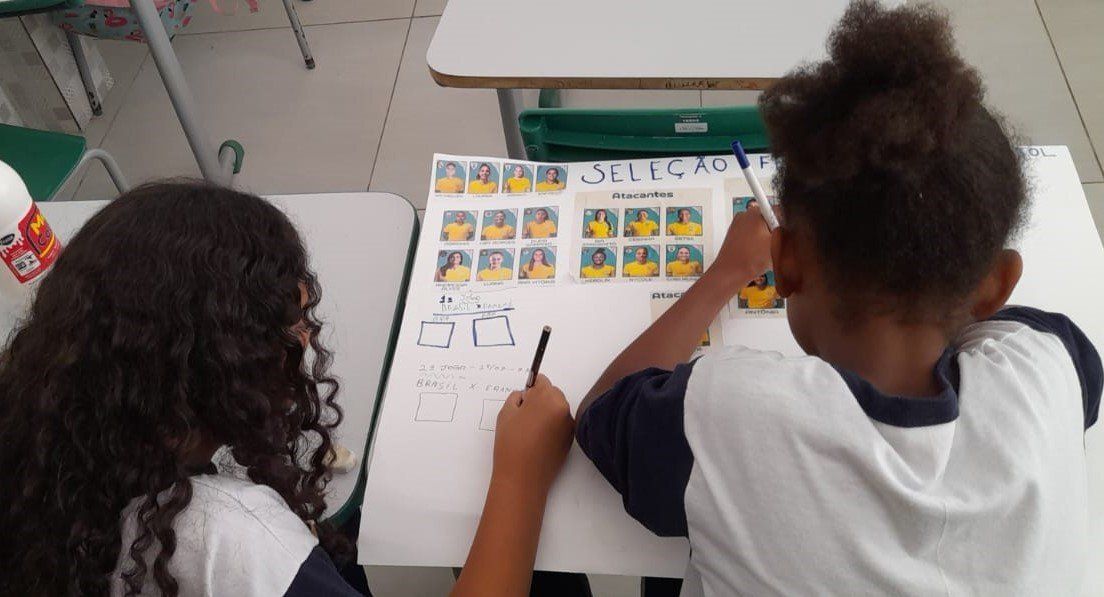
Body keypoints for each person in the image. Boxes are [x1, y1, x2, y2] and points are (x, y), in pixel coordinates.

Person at [564, 3, 1100, 595]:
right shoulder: (1050, 369)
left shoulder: (730, 415)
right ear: (995, 285)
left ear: (784, 261)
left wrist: (721, 277)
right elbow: (1044, 338)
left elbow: (603, 409)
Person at [0, 181, 579, 597]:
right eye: (291, 325)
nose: (305, 340)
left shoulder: (38, 426)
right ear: (226, 366)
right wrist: (518, 480)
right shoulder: (234, 544)